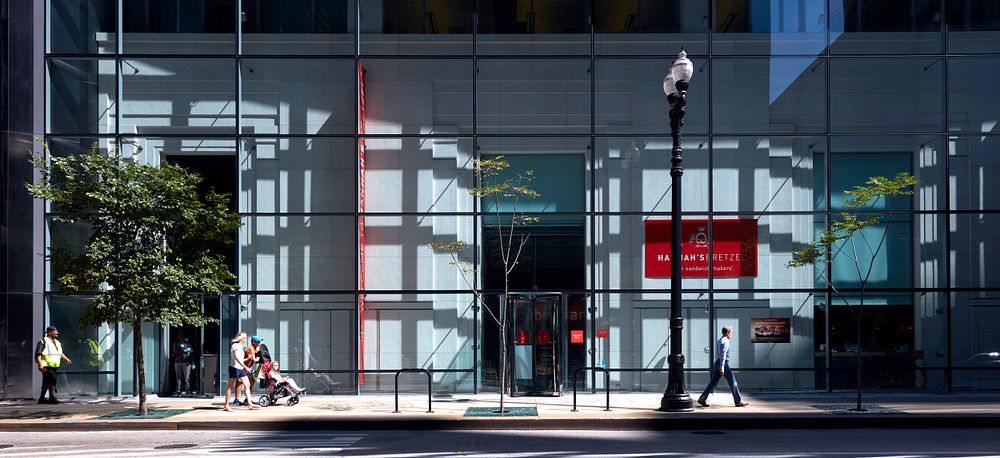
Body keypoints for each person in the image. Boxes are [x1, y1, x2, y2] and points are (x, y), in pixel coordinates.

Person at [697, 325, 749, 407]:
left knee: (713, 383)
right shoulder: (725, 341)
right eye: (731, 333)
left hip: (718, 362)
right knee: (733, 382)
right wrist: (722, 367)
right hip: (723, 364)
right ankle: (738, 401)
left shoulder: (720, 340)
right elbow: (723, 355)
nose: (731, 335)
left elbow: (717, 354)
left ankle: (702, 398)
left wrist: (718, 365)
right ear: (727, 333)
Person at [34, 326, 72, 404]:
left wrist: (67, 359)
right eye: (55, 331)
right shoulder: (43, 341)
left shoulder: (57, 342)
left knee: (46, 382)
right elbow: (38, 354)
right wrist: (40, 364)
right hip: (46, 365)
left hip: (54, 366)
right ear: (49, 332)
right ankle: (52, 397)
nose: (57, 332)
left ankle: (42, 398)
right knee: (52, 380)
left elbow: (60, 353)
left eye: (57, 331)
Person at [223, 331, 256, 411]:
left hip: (240, 368)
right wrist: (246, 367)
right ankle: (226, 405)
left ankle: (250, 404)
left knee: (247, 384)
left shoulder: (240, 346)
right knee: (231, 386)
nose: (246, 339)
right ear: (241, 338)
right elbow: (237, 359)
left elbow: (240, 359)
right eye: (245, 337)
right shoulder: (235, 346)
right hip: (234, 368)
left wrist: (247, 359)